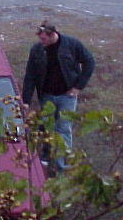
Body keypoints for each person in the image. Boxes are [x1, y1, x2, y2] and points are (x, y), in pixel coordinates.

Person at [22, 20, 95, 171]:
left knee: (63, 128)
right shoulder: (36, 50)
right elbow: (30, 75)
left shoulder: (72, 44)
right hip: (47, 96)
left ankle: (62, 165)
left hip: (67, 96)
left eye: (43, 39)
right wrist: (26, 100)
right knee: (46, 127)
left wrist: (78, 87)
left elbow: (89, 62)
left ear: (52, 35)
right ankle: (46, 155)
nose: (41, 42)